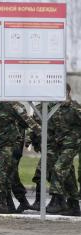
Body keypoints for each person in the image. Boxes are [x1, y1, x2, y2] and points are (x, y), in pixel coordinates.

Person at [0, 102, 40, 214]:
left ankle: (0, 202)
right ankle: (11, 203)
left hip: (11, 145)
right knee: (3, 174)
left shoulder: (12, 106)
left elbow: (29, 123)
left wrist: (38, 137)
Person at [47, 84, 81, 216]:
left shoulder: (75, 108)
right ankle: (74, 205)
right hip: (58, 146)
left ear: (68, 92)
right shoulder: (54, 108)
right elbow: (50, 128)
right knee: (69, 174)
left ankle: (57, 200)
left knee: (58, 168)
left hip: (72, 145)